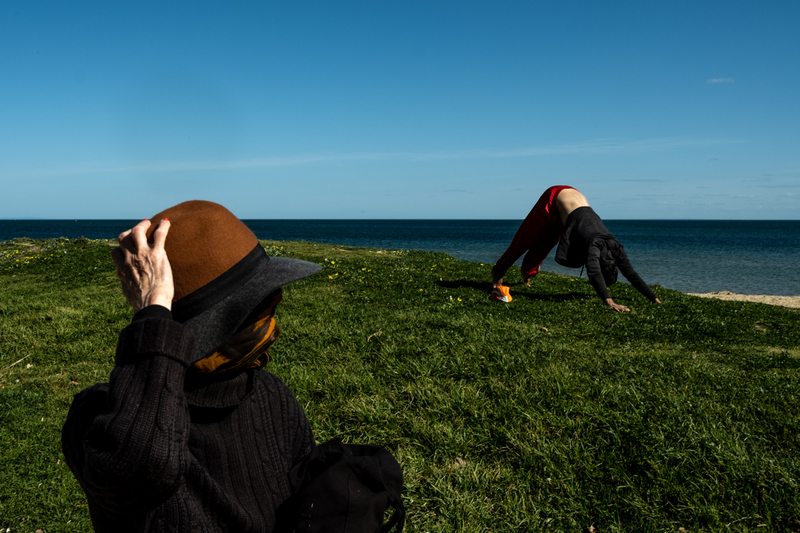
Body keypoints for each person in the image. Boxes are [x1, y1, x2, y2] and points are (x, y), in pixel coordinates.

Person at [62, 200, 322, 532]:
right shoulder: (97, 417)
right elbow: (137, 467)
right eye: (260, 306)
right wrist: (154, 308)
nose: (275, 309)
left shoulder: (272, 396)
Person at [492, 186, 662, 312]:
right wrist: (609, 302)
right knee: (524, 239)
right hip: (554, 197)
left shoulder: (614, 244)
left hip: (568, 211)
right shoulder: (594, 245)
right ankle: (498, 274)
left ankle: (527, 273)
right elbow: (594, 273)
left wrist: (654, 298)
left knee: (546, 245)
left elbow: (630, 273)